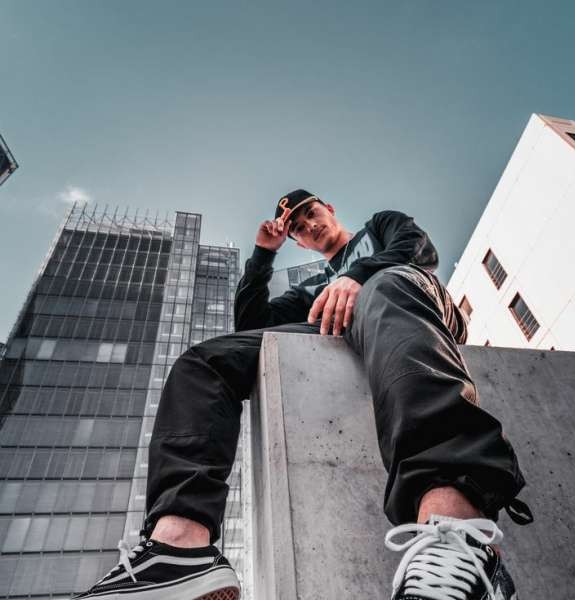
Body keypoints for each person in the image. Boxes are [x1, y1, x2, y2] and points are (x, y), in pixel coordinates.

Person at [76, 189, 532, 600]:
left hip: (410, 298)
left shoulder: (379, 226)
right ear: (297, 241)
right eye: (297, 227)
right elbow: (251, 327)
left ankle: (459, 532)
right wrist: (262, 255)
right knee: (206, 361)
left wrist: (358, 277)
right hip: (340, 329)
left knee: (385, 284)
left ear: (328, 208)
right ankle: (180, 548)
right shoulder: (312, 289)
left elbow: (417, 249)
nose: (308, 225)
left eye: (311, 213)